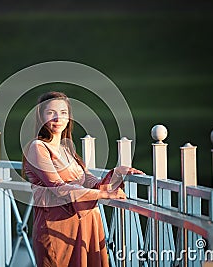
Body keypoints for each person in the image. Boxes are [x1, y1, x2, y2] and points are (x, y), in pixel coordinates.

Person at [22, 91, 144, 267]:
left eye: (63, 112)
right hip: (57, 229)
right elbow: (58, 187)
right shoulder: (38, 147)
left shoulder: (67, 149)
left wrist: (117, 173)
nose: (58, 118)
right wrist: (106, 195)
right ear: (41, 117)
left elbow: (91, 182)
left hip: (86, 225)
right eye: (51, 113)